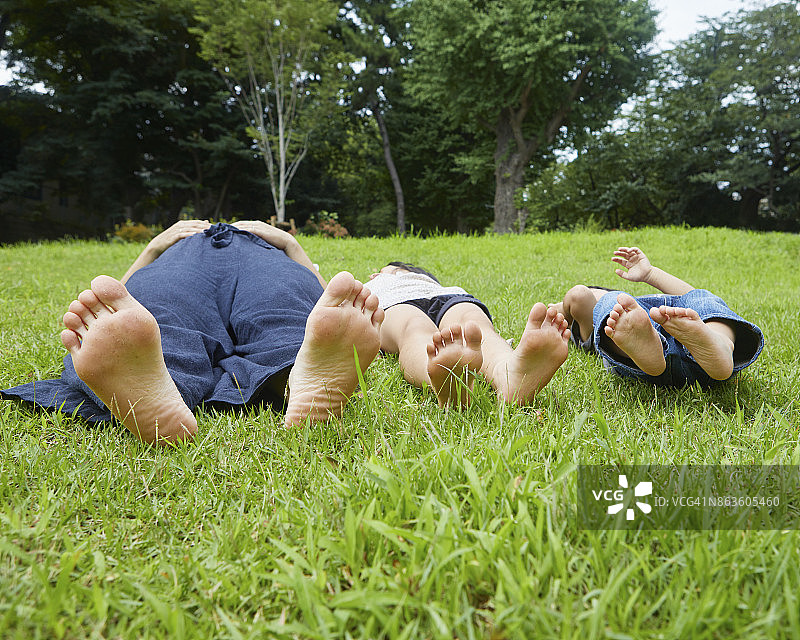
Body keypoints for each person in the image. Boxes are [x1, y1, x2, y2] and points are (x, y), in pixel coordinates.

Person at [1, 221, 384, 445]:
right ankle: (156, 384)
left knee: (284, 307)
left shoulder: (274, 243)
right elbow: (116, 299)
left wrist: (287, 243)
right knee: (157, 311)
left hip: (262, 256)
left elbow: (325, 298)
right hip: (184, 258)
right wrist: (157, 245)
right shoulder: (179, 240)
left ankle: (304, 376)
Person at [365, 262, 571, 407]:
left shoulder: (427, 281)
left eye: (394, 269)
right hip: (395, 303)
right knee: (413, 328)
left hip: (447, 297)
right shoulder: (372, 287)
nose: (386, 272)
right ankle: (441, 376)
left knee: (473, 322)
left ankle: (509, 374)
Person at [555, 246, 763, 386]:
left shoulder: (630, 309)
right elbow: (578, 295)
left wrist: (649, 274)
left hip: (687, 337)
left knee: (701, 301)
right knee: (702, 300)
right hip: (653, 345)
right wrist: (560, 310)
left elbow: (691, 297)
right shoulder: (613, 314)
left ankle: (719, 346)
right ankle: (720, 344)